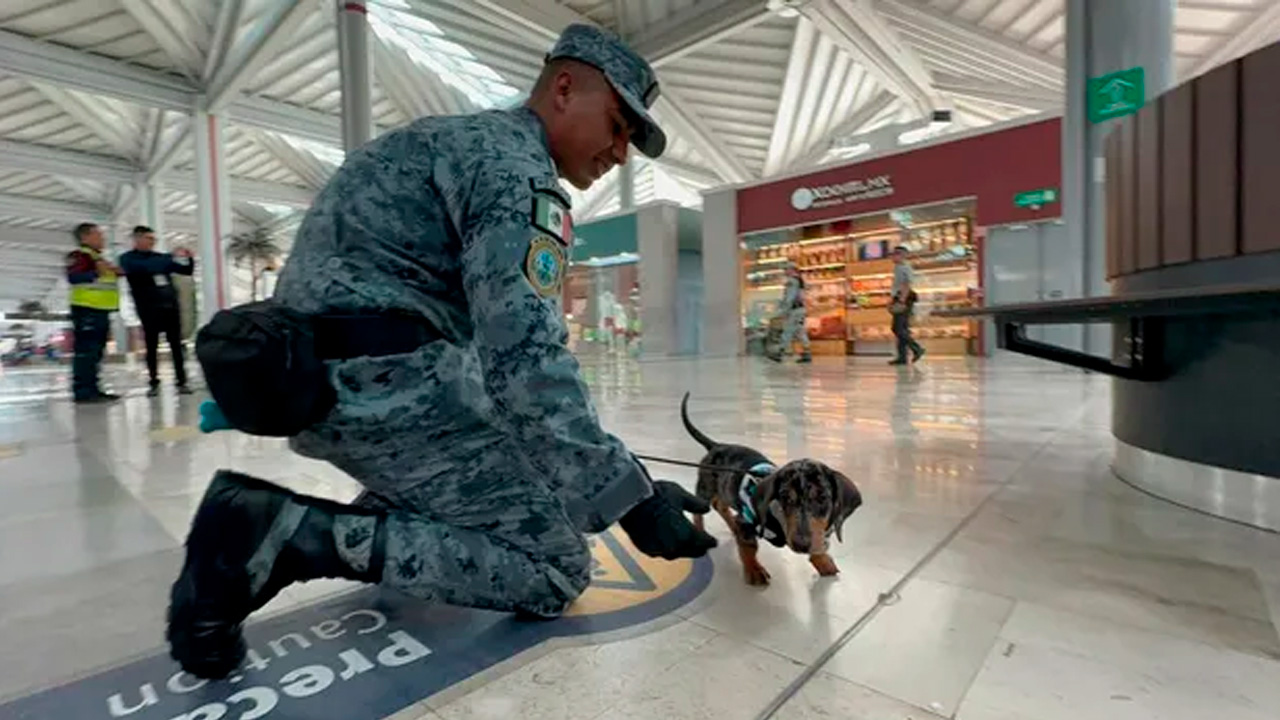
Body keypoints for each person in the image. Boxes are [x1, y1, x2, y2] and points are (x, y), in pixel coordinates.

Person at [166, 24, 717, 680]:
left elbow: (493, 366)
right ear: (565, 88)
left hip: (328, 377)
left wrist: (626, 479)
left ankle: (390, 513)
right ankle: (285, 535)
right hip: (382, 387)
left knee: (537, 477)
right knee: (555, 565)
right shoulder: (518, 173)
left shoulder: (456, 140)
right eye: (619, 124)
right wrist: (631, 502)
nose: (621, 153)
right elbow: (523, 359)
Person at [118, 226, 196, 397]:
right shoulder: (127, 259)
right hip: (148, 309)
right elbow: (144, 268)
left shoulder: (160, 258)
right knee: (151, 346)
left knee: (176, 345)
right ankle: (153, 381)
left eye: (154, 239)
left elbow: (185, 270)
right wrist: (169, 260)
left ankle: (182, 381)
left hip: (170, 306)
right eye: (148, 238)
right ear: (137, 239)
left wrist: (189, 259)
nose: (152, 242)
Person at [64, 222, 122, 403]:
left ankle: (93, 389)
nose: (102, 238)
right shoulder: (80, 255)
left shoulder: (98, 258)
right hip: (87, 309)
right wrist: (96, 273)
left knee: (96, 352)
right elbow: (73, 277)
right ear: (85, 237)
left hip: (99, 310)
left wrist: (115, 272)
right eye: (98, 234)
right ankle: (83, 391)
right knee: (86, 351)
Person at [769, 262, 812, 363]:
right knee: (800, 332)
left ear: (792, 270)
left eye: (786, 269)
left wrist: (783, 311)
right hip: (800, 310)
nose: (785, 271)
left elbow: (790, 298)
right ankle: (807, 353)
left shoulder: (792, 281)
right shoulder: (800, 280)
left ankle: (779, 353)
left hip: (794, 310)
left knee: (787, 331)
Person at [889, 246, 924, 365]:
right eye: (893, 254)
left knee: (897, 328)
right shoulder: (898, 267)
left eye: (896, 254)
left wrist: (901, 301)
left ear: (903, 255)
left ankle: (917, 348)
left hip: (904, 298)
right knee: (902, 329)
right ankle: (902, 357)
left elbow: (907, 284)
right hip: (899, 297)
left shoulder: (905, 267)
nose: (893, 256)